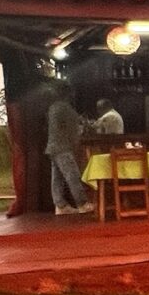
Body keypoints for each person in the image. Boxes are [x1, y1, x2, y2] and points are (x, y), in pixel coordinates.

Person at [45, 81, 91, 214]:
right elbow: (74, 129)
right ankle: (82, 203)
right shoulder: (66, 108)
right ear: (67, 93)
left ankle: (60, 205)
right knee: (73, 175)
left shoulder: (52, 107)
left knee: (57, 177)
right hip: (63, 146)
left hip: (52, 146)